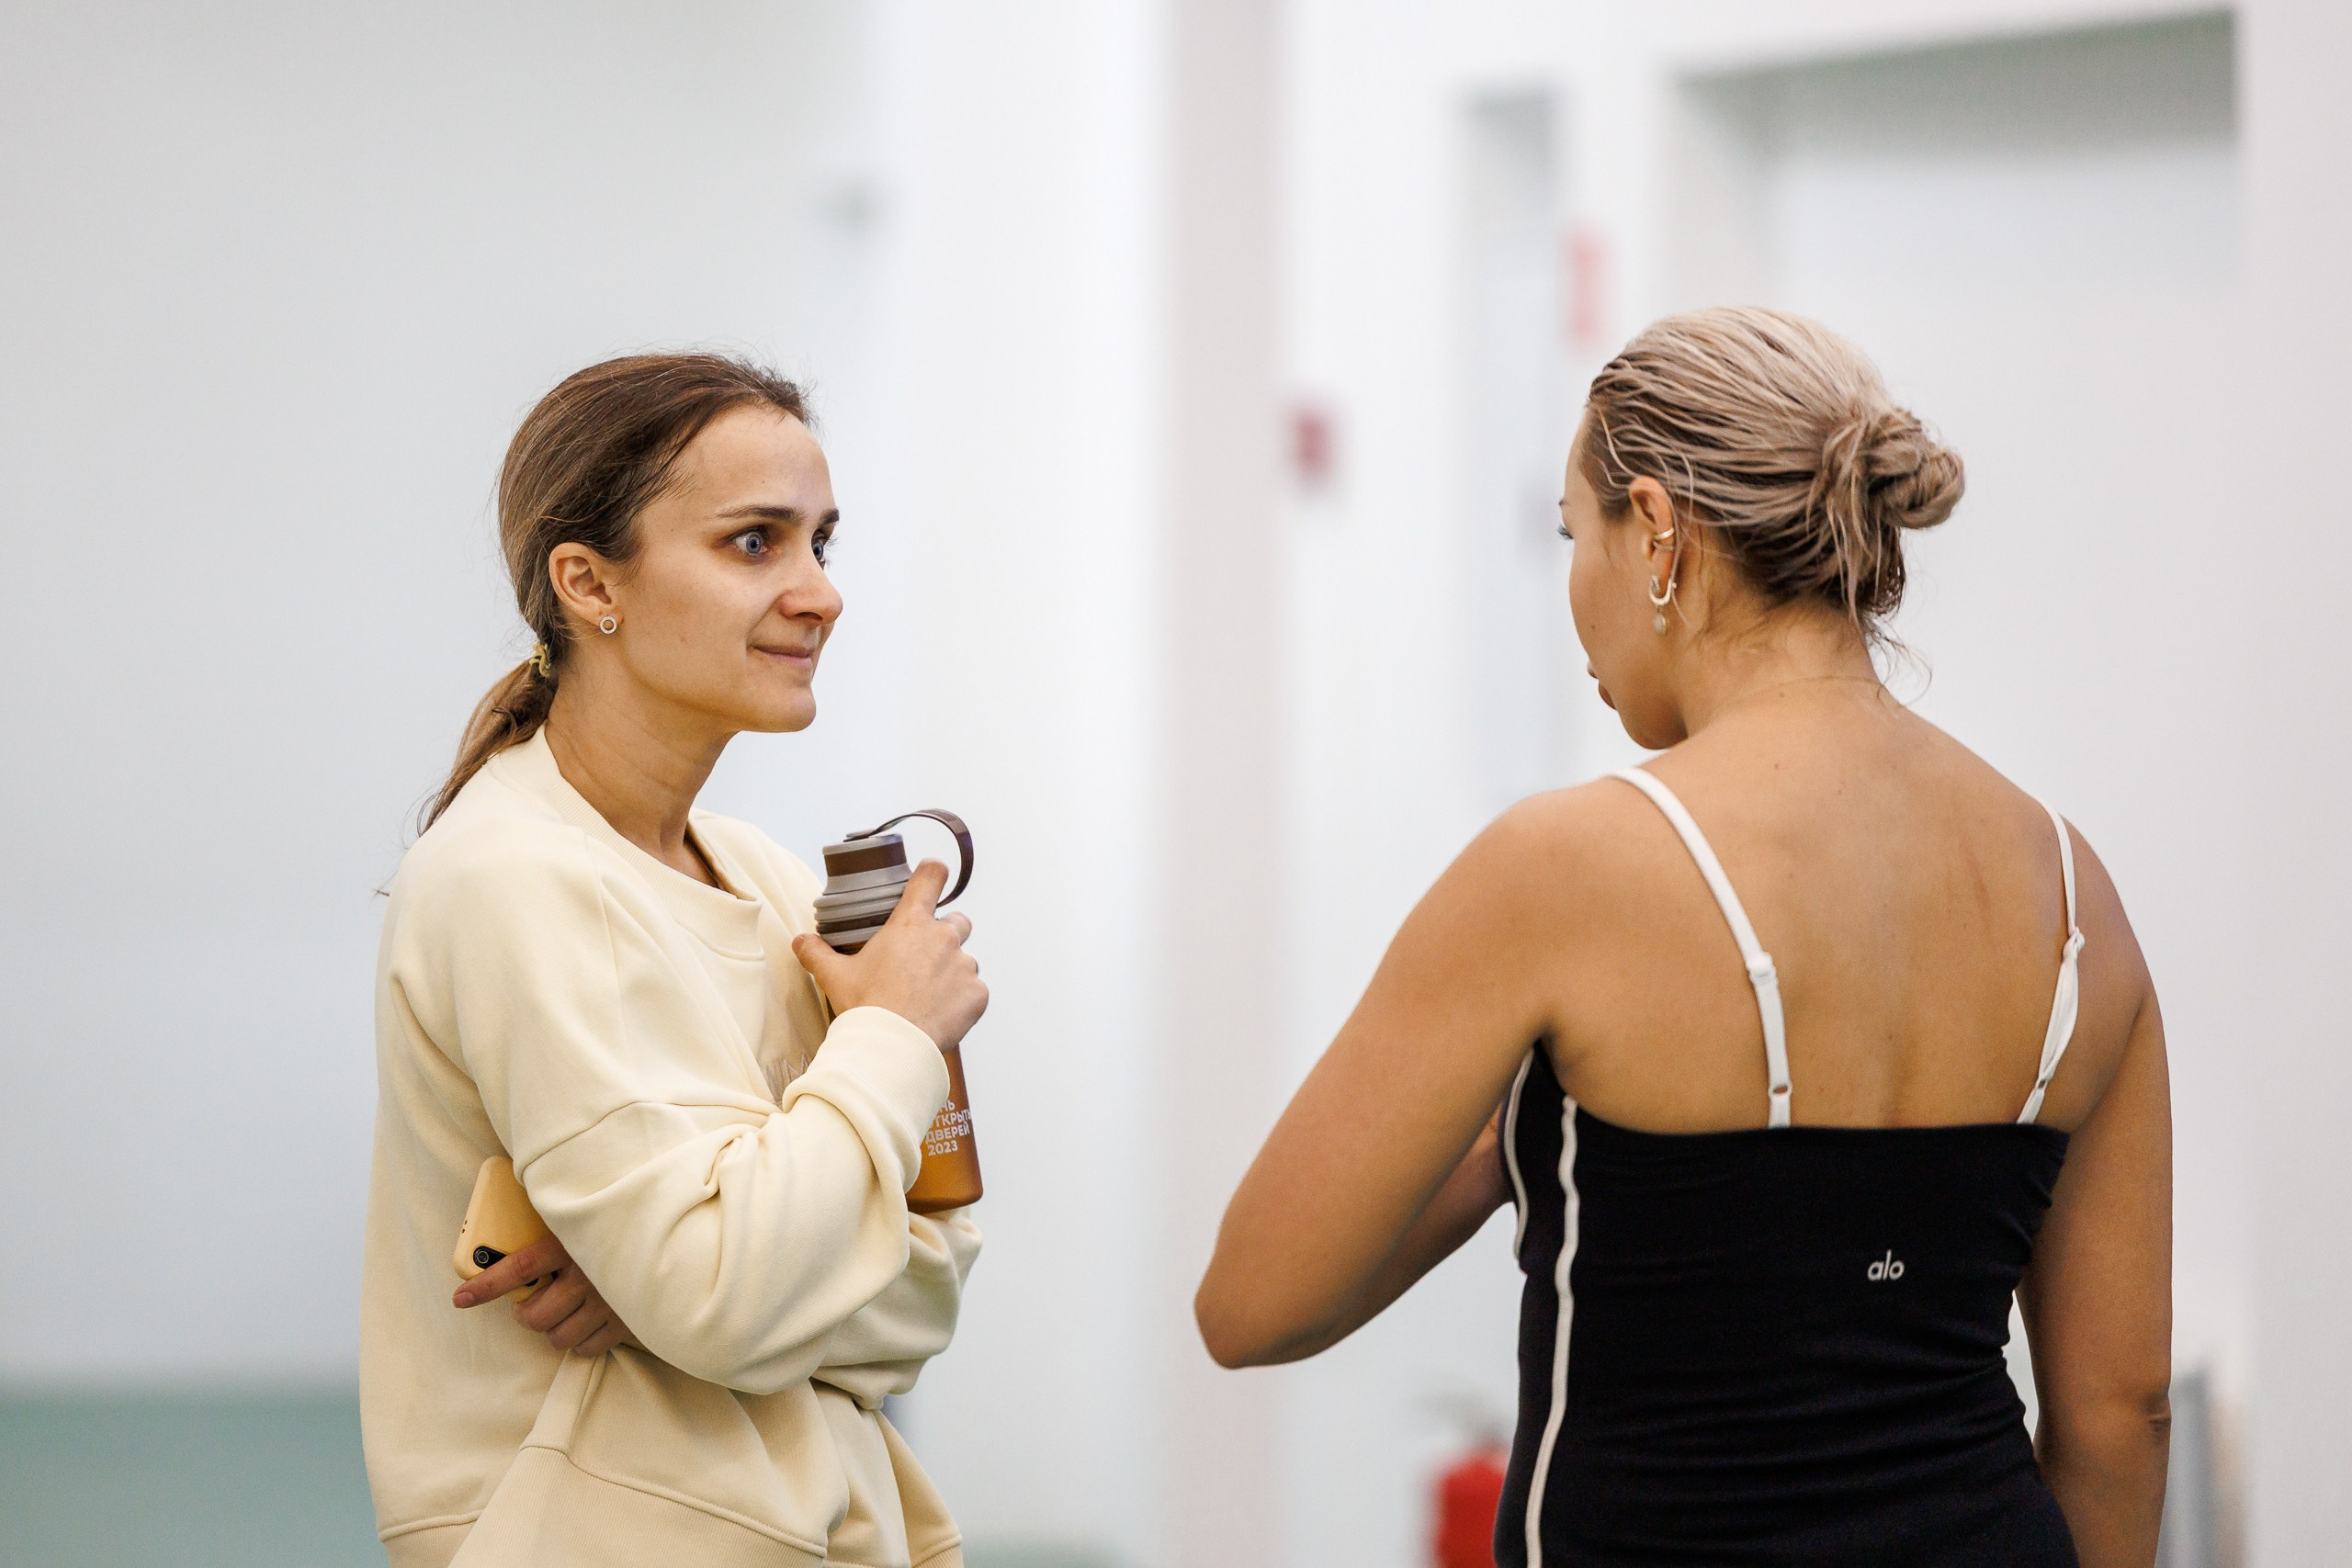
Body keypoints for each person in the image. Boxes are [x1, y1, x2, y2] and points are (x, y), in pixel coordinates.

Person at [1196, 308, 2172, 1567]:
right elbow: (2120, 1416)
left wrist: (1507, 1140)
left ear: (1655, 531)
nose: (1571, 591)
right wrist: (1538, 1144)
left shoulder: (1567, 869)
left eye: (1569, 533)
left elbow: (1255, 1304)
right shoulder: (2072, 888)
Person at [360, 354, 988, 1568]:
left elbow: (928, 1291)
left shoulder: (763, 880)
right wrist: (895, 1037)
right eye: (756, 543)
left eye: (822, 543)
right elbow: (725, 1298)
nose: (819, 594)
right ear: (590, 584)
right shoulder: (512, 877)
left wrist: (662, 1302)